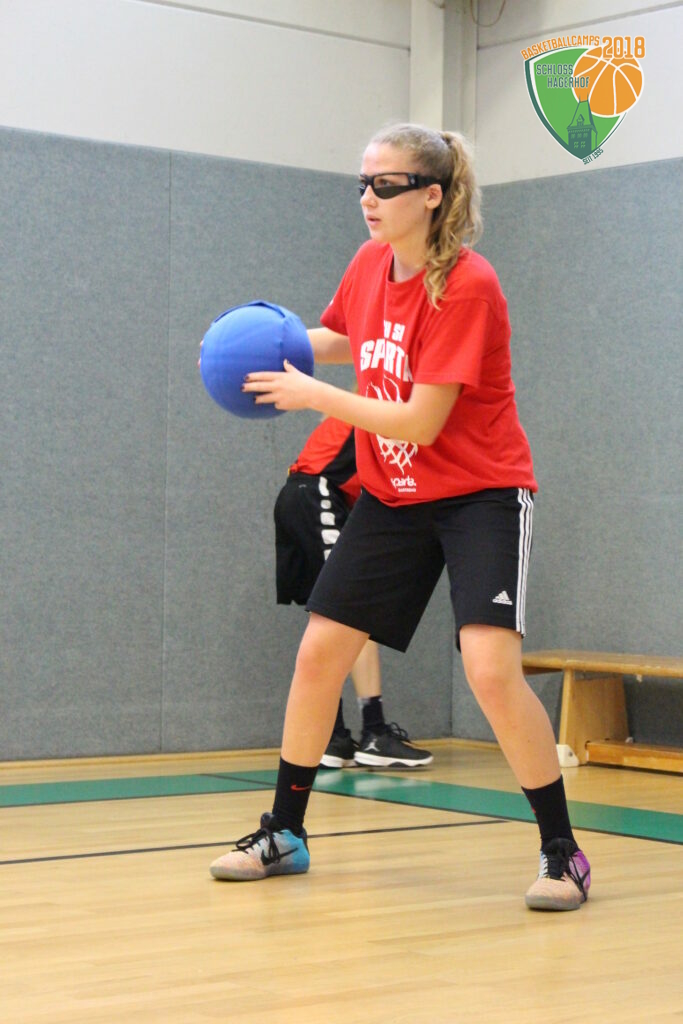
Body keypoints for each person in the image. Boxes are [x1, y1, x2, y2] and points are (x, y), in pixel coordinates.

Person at [210, 122, 591, 912]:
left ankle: (563, 852)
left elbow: (420, 420)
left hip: (480, 493)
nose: (368, 198)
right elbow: (341, 338)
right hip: (394, 494)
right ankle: (284, 832)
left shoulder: (467, 285)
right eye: (362, 183)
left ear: (431, 195)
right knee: (319, 654)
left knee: (488, 669)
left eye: (385, 185)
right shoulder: (368, 264)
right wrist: (263, 347)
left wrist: (312, 395)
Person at [275, 413, 433, 769]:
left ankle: (334, 737)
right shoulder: (381, 410)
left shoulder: (352, 411)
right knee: (350, 616)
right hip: (317, 494)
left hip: (298, 495)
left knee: (330, 620)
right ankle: (373, 733)